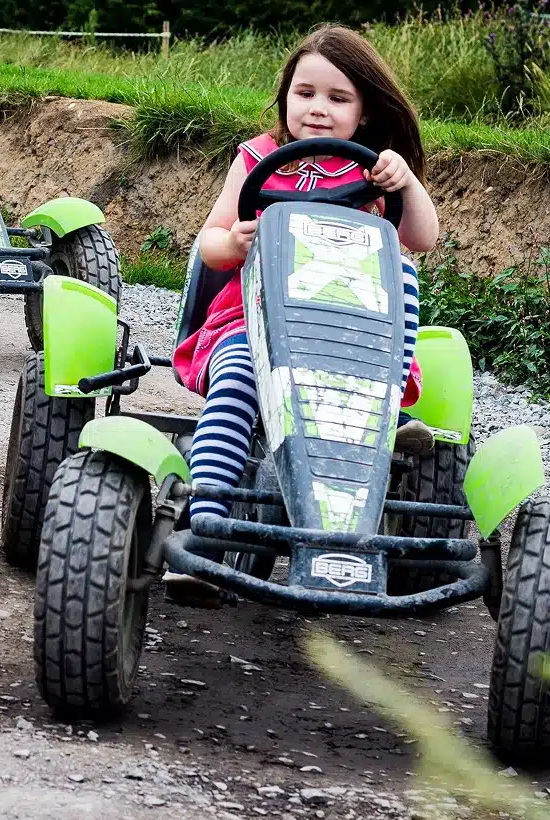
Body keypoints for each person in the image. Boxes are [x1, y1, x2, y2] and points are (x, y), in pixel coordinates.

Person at [168, 23, 440, 605]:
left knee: (405, 269)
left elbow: (422, 237)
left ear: (364, 112)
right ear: (287, 97)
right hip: (255, 325)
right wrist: (237, 241)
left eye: (338, 99)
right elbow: (209, 243)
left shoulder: (373, 172)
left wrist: (406, 183)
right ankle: (206, 526)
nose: (318, 109)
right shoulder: (258, 159)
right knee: (238, 378)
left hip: (350, 337)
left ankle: (381, 411)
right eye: (305, 94)